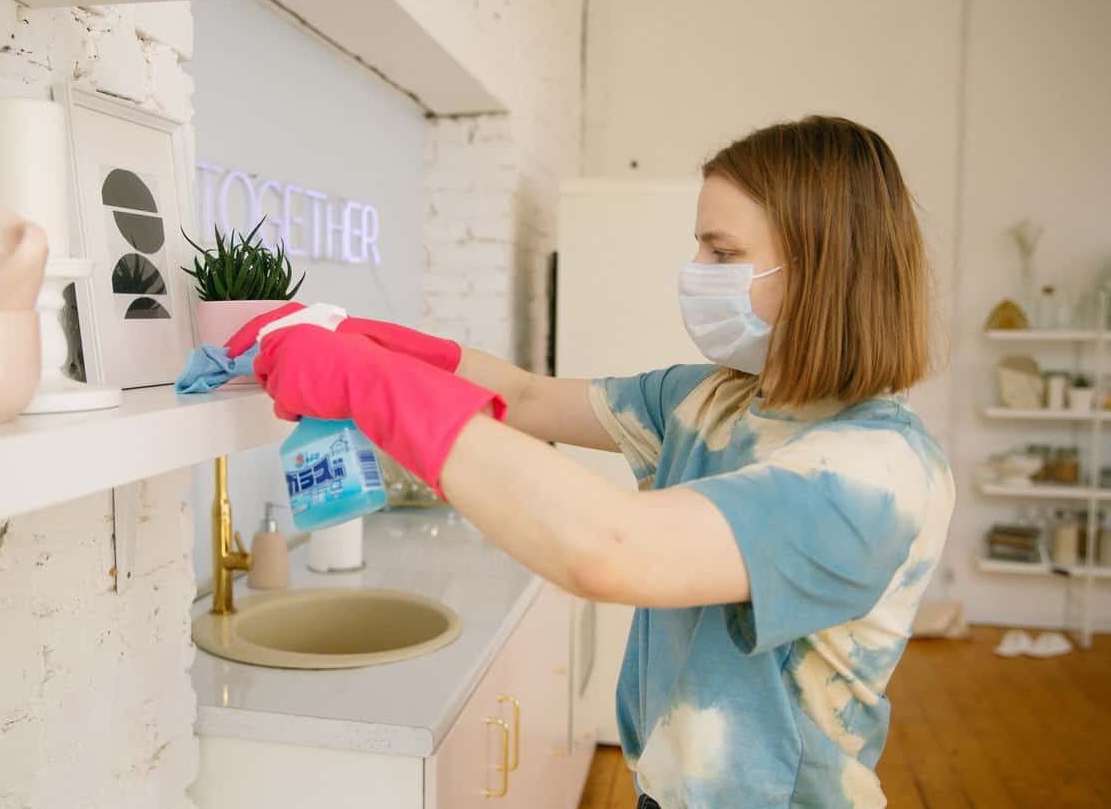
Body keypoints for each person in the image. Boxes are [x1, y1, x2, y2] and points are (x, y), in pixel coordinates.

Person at [223, 115, 954, 808]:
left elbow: (610, 546)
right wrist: (361, 337)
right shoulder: (710, 399)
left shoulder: (875, 472)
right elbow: (526, 394)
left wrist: (368, 384)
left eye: (722, 252)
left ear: (823, 267)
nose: (694, 270)